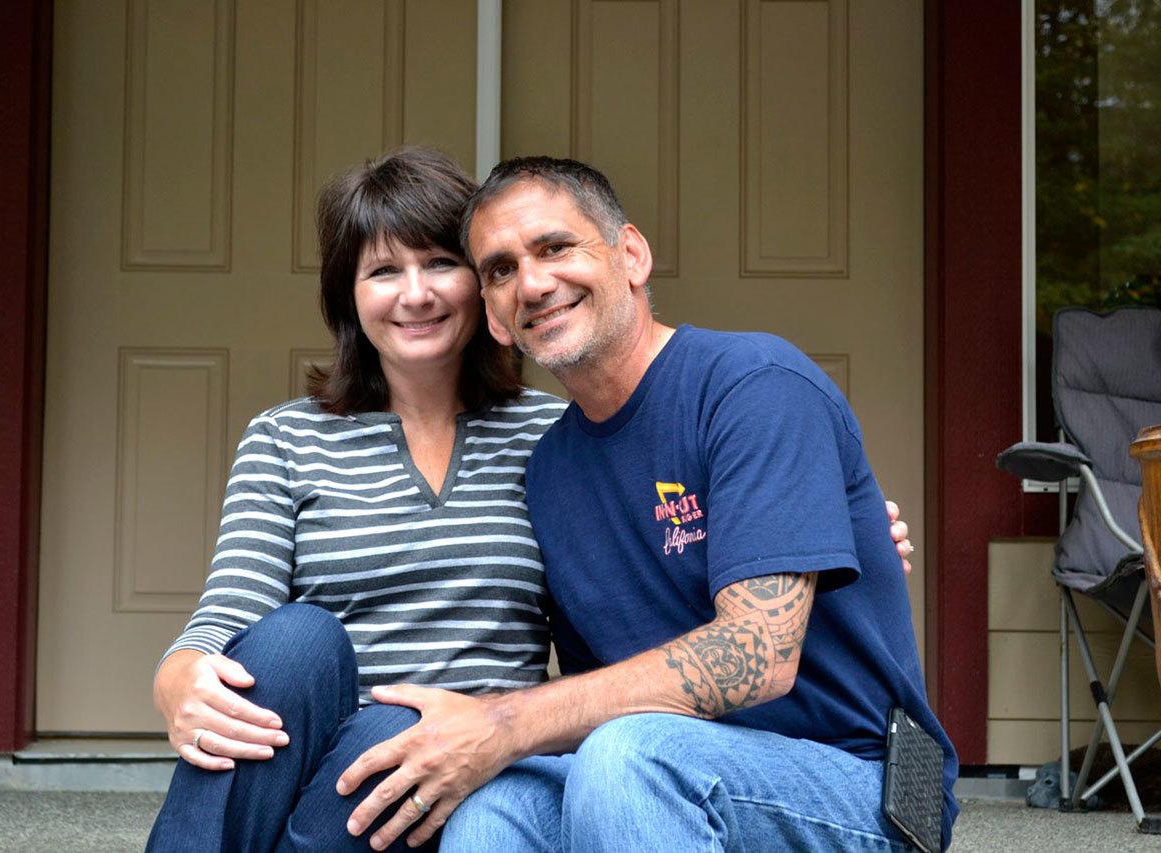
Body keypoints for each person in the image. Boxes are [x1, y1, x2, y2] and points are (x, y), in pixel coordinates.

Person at [334, 157, 957, 853]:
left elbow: (757, 655)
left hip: (865, 784)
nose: (534, 283)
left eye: (555, 247)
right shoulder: (550, 470)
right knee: (496, 810)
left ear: (630, 254)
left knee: (629, 755)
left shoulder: (754, 385)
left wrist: (502, 722)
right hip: (670, 779)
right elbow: (598, 692)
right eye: (502, 270)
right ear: (497, 320)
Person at [146, 147, 568, 851]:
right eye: (383, 271)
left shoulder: (552, 436)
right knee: (296, 638)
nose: (415, 294)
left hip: (471, 768)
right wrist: (179, 672)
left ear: (482, 280)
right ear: (349, 296)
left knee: (395, 728)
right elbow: (232, 607)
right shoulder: (285, 438)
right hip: (318, 765)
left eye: (439, 263)